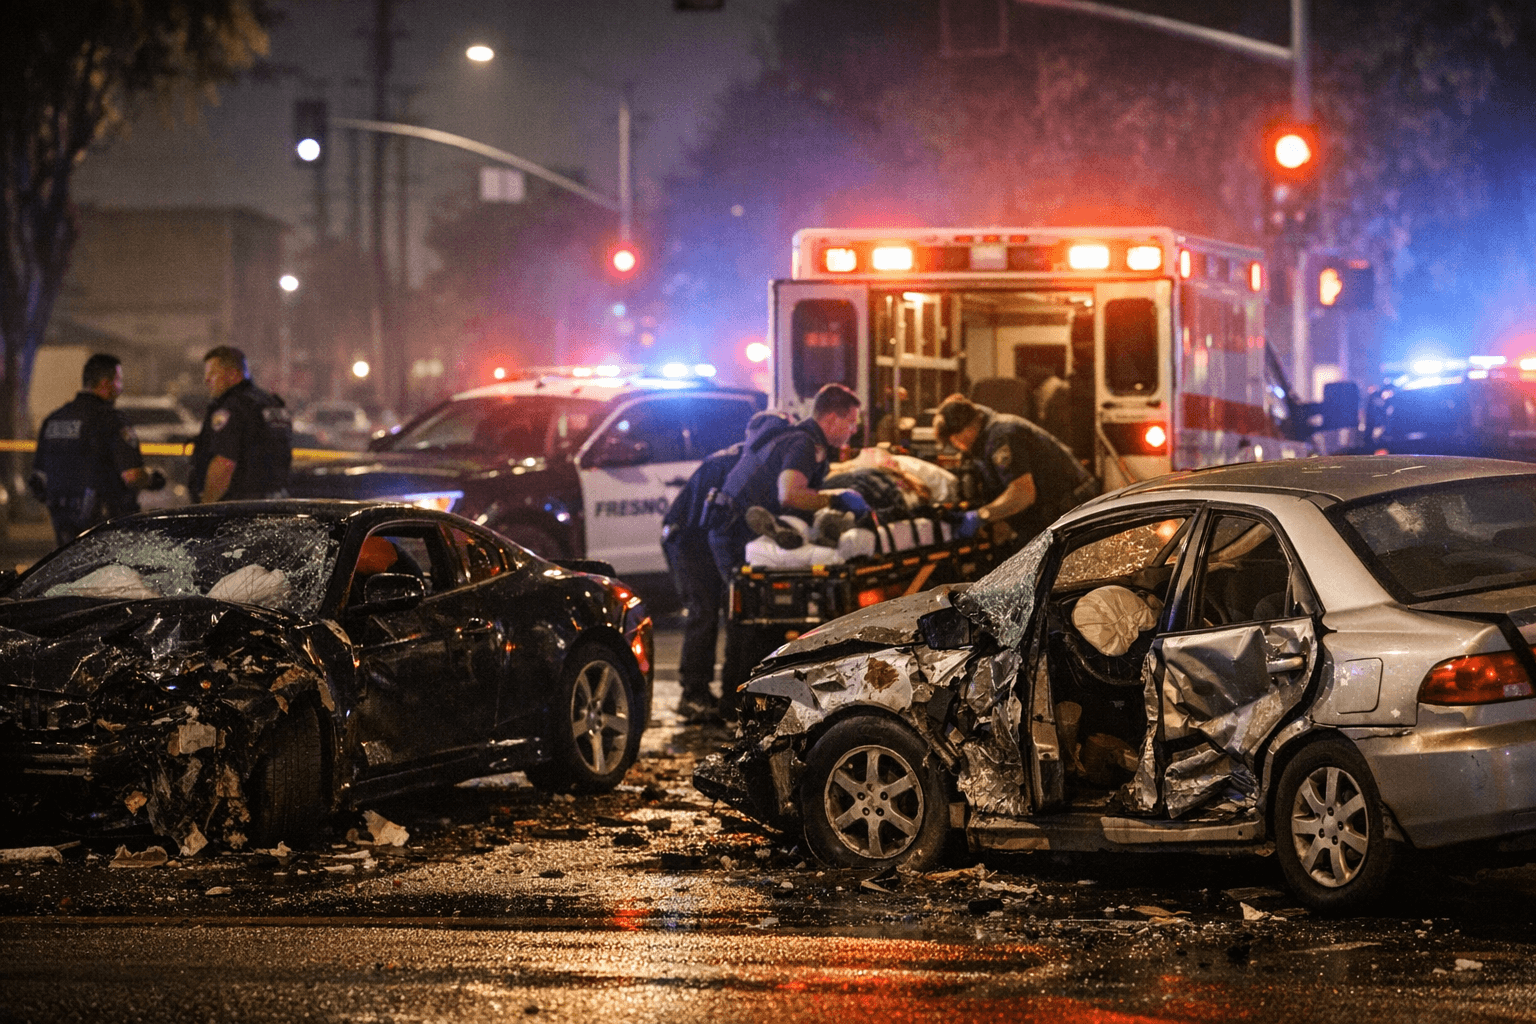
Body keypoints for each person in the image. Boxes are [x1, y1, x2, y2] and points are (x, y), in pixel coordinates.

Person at [706, 385, 863, 713]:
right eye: (850, 423)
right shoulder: (803, 444)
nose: (853, 430)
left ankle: (750, 700)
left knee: (753, 617)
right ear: (831, 418)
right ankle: (736, 705)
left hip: (738, 528)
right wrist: (836, 498)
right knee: (749, 617)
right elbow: (789, 495)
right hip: (735, 531)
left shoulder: (802, 441)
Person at [661, 410, 790, 724]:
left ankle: (721, 693)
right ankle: (693, 694)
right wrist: (731, 573)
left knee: (729, 609)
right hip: (690, 540)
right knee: (705, 611)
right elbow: (712, 528)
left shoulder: (755, 463)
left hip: (711, 540)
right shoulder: (727, 465)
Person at [32, 353, 167, 546]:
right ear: (106, 383)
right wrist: (154, 479)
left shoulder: (54, 420)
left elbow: (37, 480)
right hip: (105, 528)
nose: (120, 387)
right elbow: (132, 475)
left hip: (63, 527)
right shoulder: (111, 420)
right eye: (118, 380)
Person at [933, 393, 1098, 545]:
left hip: (1072, 509)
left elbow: (1023, 494)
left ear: (965, 430)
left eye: (954, 439)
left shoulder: (1001, 436)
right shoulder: (986, 438)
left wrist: (982, 516)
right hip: (1056, 510)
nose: (957, 446)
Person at [189, 346, 294, 503]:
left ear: (233, 374)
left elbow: (224, 465)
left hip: (239, 509)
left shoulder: (233, 408)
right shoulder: (271, 403)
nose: (207, 380)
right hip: (276, 503)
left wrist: (205, 509)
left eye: (213, 373)